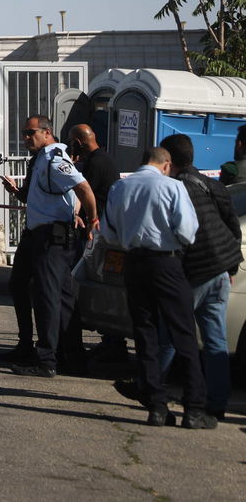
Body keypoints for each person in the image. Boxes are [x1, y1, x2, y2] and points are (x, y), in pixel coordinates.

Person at [99, 147, 213, 429]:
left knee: (145, 335)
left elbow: (109, 232)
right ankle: (194, 409)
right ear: (166, 165)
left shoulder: (120, 187)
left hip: (134, 263)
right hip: (166, 263)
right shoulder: (172, 186)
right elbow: (187, 231)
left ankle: (157, 406)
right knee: (183, 333)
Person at [0, 114, 96, 377]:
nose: (26, 138)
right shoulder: (42, 159)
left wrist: (92, 219)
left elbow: (84, 189)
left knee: (48, 299)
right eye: (24, 133)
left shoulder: (55, 160)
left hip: (52, 238)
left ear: (47, 132)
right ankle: (68, 355)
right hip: (41, 235)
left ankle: (47, 360)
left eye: (31, 133)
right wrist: (18, 191)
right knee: (59, 297)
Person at [159, 134, 241, 421]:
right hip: (222, 268)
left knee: (169, 331)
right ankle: (217, 401)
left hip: (195, 270)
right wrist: (230, 268)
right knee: (215, 339)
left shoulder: (174, 189)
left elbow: (176, 235)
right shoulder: (213, 185)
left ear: (168, 160)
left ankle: (153, 388)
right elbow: (232, 224)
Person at [66, 123, 118, 369]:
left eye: (71, 141)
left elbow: (85, 193)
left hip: (97, 233)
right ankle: (111, 341)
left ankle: (113, 343)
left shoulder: (96, 163)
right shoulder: (103, 158)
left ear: (79, 141)